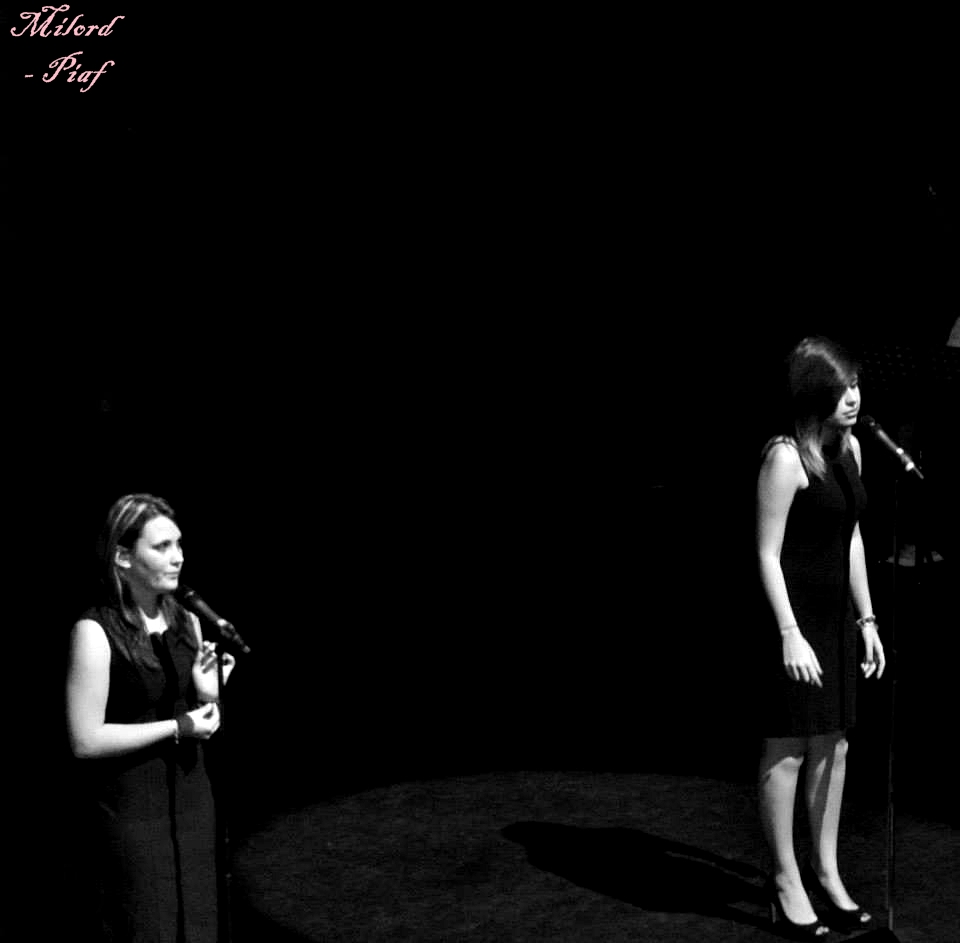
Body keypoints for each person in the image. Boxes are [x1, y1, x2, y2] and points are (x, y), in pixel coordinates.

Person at [755, 337, 886, 939]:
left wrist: (867, 620)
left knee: (835, 746)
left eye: (855, 385)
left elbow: (851, 536)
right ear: (813, 395)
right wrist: (788, 633)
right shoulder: (785, 458)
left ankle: (826, 872)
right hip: (793, 620)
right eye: (839, 389)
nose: (852, 398)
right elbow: (766, 553)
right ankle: (786, 880)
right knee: (788, 749)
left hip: (835, 622)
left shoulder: (850, 449)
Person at [66, 493, 236, 942]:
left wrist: (208, 695)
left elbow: (204, 720)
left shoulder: (187, 623)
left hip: (193, 803)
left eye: (179, 544)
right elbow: (85, 739)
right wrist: (178, 727)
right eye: (162, 547)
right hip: (133, 812)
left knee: (199, 926)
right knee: (148, 926)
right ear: (123, 557)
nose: (178, 557)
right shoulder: (95, 631)